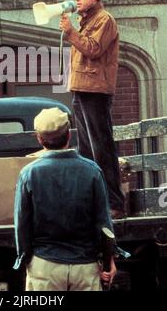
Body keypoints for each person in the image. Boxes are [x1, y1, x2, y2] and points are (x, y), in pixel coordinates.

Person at [14, 107, 116, 291]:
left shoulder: (29, 173)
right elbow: (103, 223)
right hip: (86, 266)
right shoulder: (92, 171)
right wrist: (110, 260)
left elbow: (22, 225)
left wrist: (25, 259)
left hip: (44, 265)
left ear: (39, 139)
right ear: (69, 135)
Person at [59, 0, 125, 219]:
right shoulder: (86, 20)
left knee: (101, 147)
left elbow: (94, 49)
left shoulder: (104, 20)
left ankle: (114, 203)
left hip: (95, 89)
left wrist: (71, 33)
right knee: (86, 149)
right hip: (82, 87)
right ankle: (95, 203)